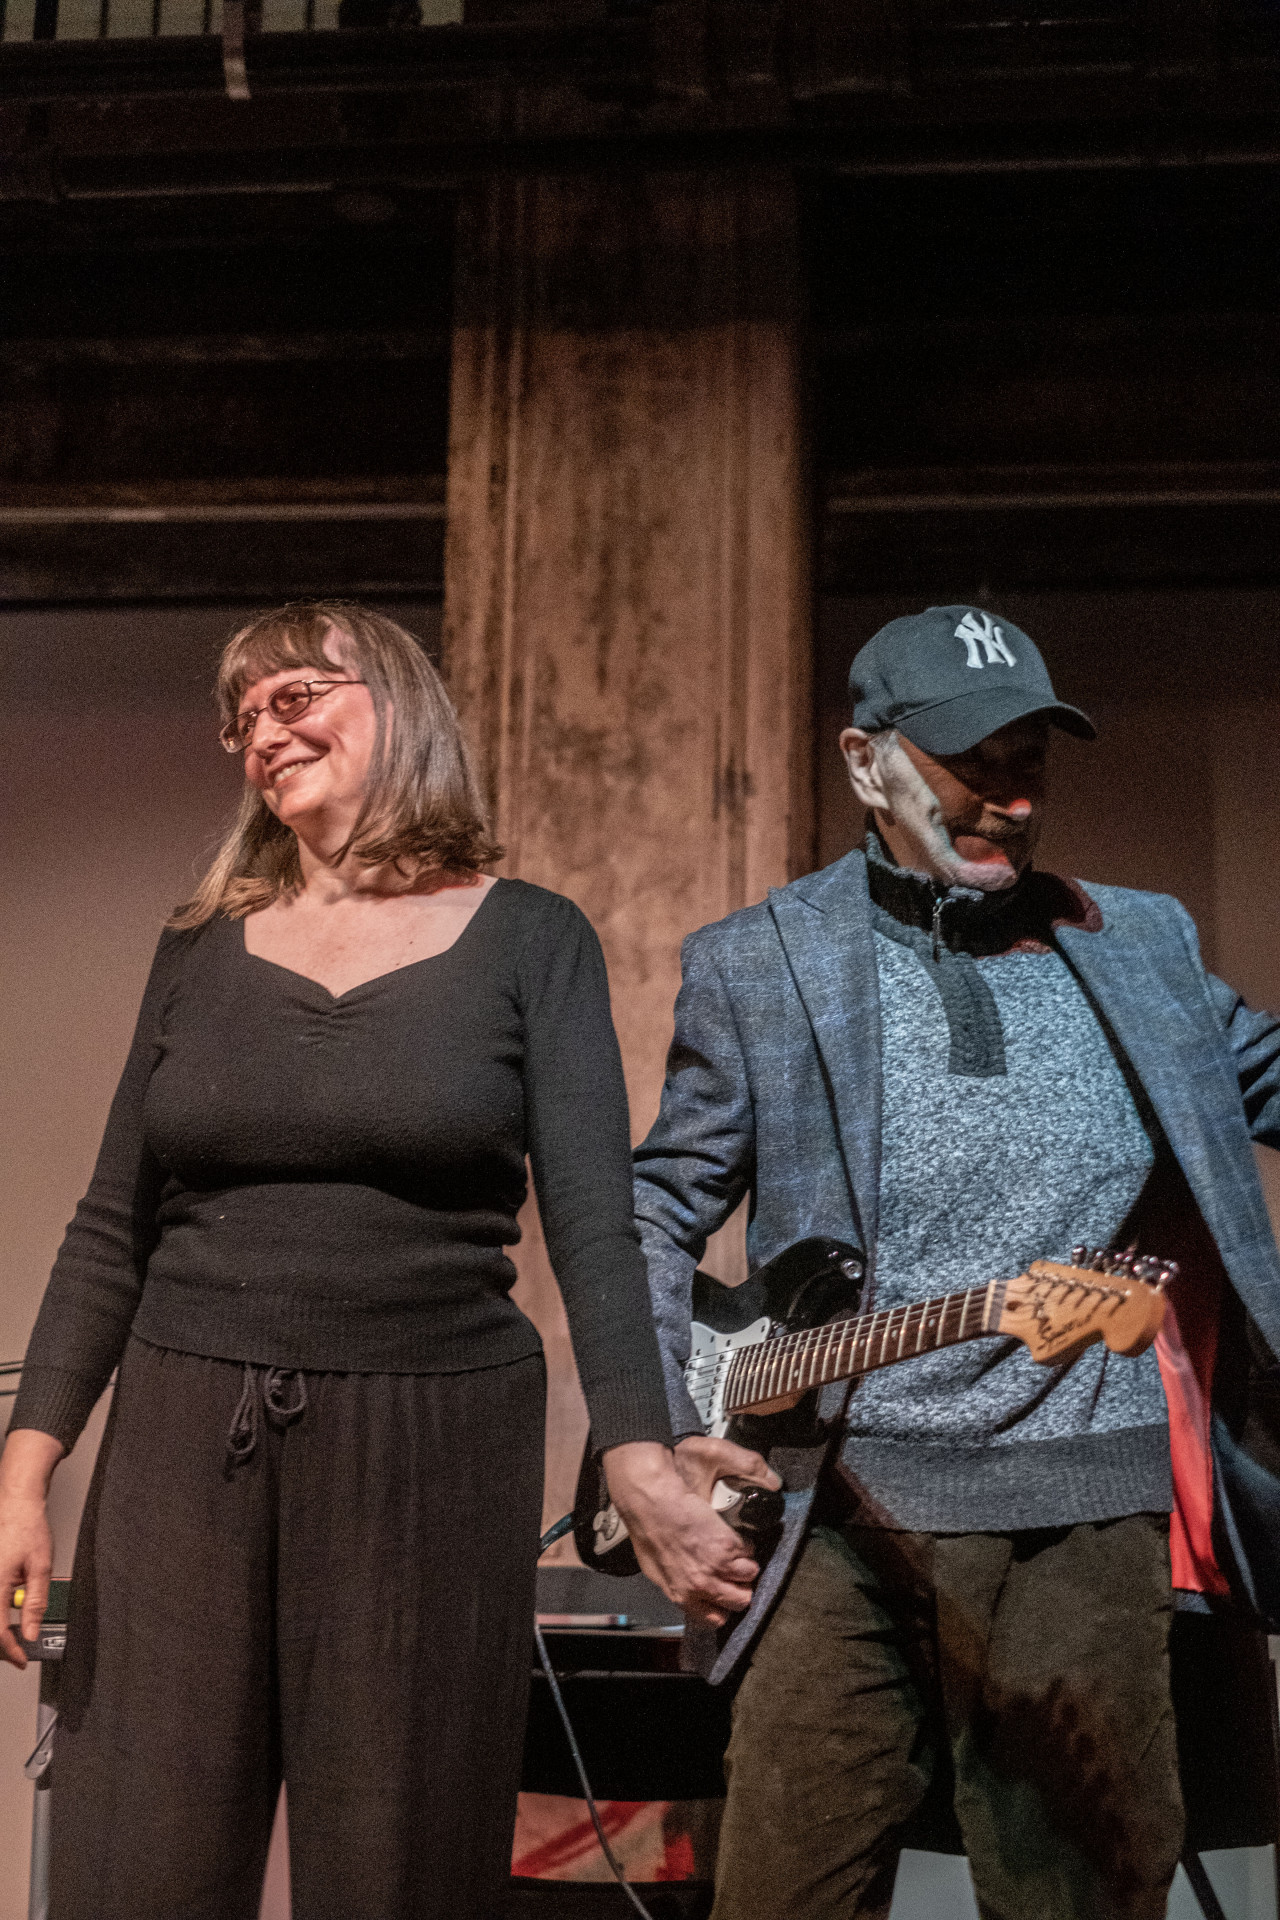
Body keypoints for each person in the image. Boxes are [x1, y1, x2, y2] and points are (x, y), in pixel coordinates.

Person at [0, 601, 749, 1920]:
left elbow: (595, 1221)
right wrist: (26, 1466)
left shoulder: (532, 938)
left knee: (393, 1871)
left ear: (396, 702)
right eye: (241, 716)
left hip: (429, 1439)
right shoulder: (198, 945)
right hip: (186, 1435)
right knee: (141, 1864)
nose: (261, 733)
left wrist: (639, 1444)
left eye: (293, 696)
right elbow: (113, 1219)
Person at [635, 604, 1280, 1920]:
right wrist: (651, 1432)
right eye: (968, 762)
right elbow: (660, 1206)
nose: (1009, 795)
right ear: (867, 763)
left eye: (1029, 758)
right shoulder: (763, 966)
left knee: (1079, 1901)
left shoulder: (1136, 943)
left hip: (1082, 1521)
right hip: (838, 1519)